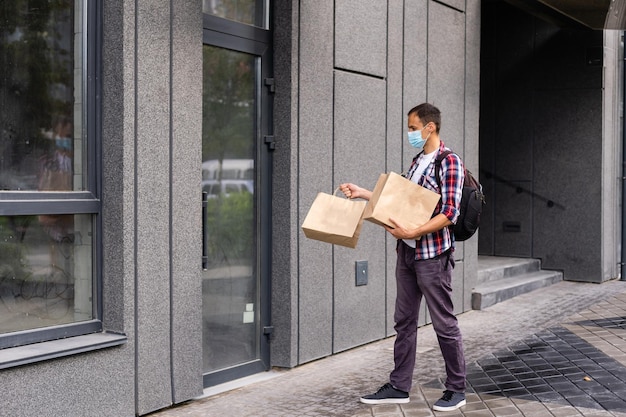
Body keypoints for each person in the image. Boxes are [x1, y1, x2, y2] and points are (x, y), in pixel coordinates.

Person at [340, 103, 467, 412]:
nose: (409, 133)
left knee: (444, 323)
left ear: (430, 127)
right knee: (404, 322)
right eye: (409, 128)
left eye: (413, 128)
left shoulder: (449, 162)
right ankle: (399, 386)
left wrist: (415, 232)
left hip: (433, 255)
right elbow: (402, 203)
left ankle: (456, 389)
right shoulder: (416, 162)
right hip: (408, 256)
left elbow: (450, 213)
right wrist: (363, 193)